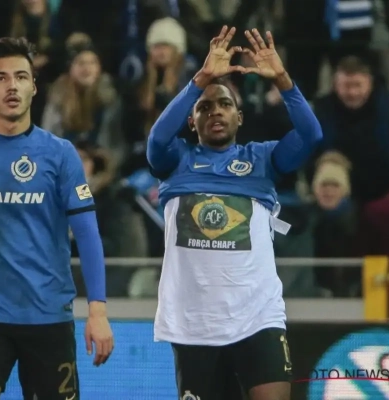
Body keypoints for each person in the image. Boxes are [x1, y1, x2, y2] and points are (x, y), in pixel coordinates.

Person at [147, 26, 323, 400]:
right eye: (204, 107)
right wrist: (200, 79)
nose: (215, 111)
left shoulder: (262, 159)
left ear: (239, 117)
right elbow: (157, 139)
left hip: (258, 317)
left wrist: (283, 80)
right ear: (191, 121)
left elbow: (311, 136)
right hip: (194, 324)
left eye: (225, 104)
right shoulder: (176, 161)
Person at [0, 37, 114, 400]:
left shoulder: (60, 154)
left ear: (34, 87)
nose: (12, 86)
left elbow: (87, 234)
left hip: (48, 318)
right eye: (0, 78)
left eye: (21, 77)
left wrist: (97, 311)